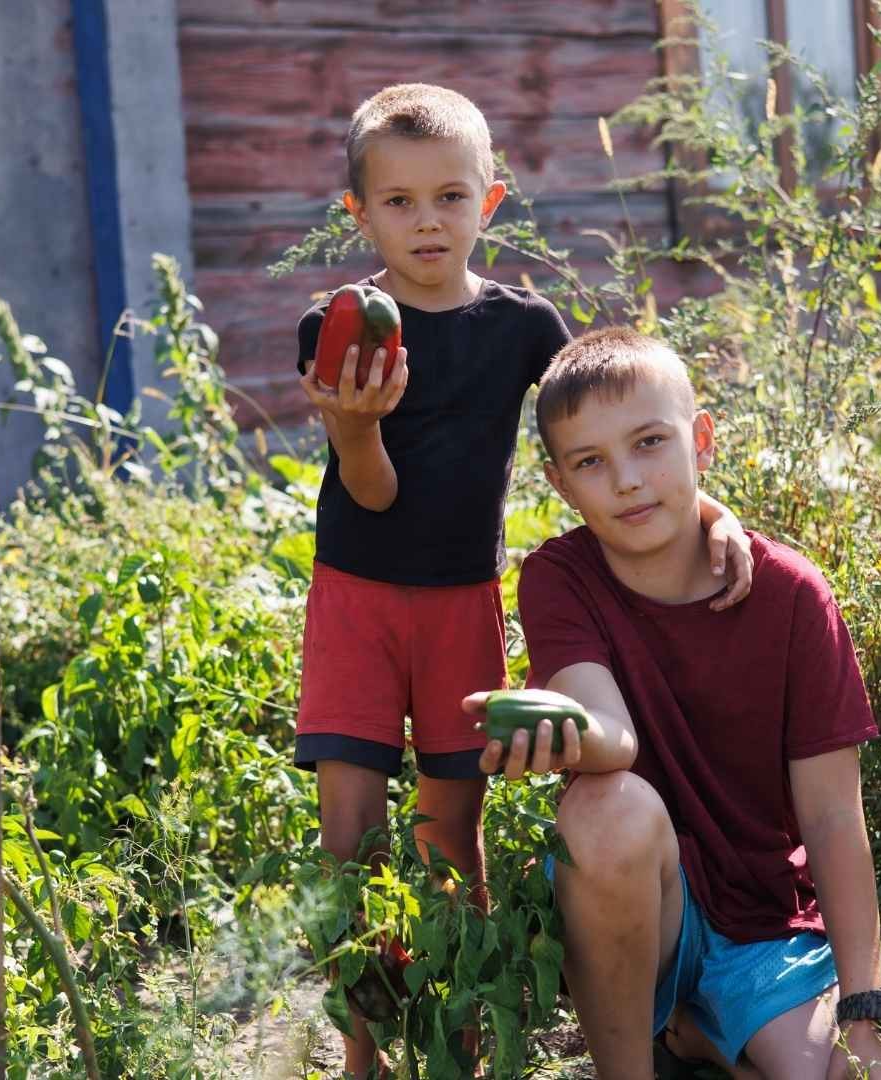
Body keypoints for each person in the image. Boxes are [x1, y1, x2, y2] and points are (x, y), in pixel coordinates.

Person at [290, 86, 758, 1079]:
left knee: (451, 834)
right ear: (359, 214)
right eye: (401, 202)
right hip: (356, 600)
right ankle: (363, 1055)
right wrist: (355, 427)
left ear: (490, 201)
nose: (428, 221)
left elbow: (599, 429)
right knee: (352, 839)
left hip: (464, 600)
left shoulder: (523, 328)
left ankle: (460, 1038)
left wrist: (711, 513)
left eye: (451, 196)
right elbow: (370, 499)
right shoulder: (340, 327)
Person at [468, 327, 881, 1079]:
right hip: (645, 907)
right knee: (607, 809)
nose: (628, 480)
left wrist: (868, 1010)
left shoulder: (793, 595)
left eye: (649, 443)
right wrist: (560, 728)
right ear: (560, 484)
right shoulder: (560, 580)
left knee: (848, 1077)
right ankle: (632, 1064)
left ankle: (699, 1031)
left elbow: (834, 817)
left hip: (764, 920)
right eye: (591, 463)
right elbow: (612, 738)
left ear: (701, 441)